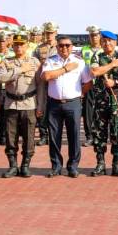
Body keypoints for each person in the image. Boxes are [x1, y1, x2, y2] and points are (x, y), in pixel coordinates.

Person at [41, 34, 92, 178]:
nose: (64, 48)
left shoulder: (79, 62)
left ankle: (73, 167)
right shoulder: (51, 60)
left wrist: (80, 94)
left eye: (67, 45)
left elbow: (88, 82)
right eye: (61, 45)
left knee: (74, 136)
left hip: (73, 103)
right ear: (57, 47)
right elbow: (46, 76)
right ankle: (56, 166)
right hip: (54, 103)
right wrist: (65, 69)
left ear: (72, 47)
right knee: (54, 137)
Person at [0, 31, 45, 178]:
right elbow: (1, 78)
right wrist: (20, 70)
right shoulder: (6, 61)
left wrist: (40, 105)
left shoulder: (35, 62)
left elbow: (40, 86)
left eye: (22, 45)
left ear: (27, 45)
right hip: (11, 104)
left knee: (29, 137)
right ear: (12, 46)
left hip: (29, 104)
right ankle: (12, 166)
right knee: (10, 137)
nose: (19, 47)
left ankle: (25, 165)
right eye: (16, 45)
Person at [87, 30, 118, 176]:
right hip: (101, 102)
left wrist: (116, 82)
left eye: (110, 41)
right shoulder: (97, 57)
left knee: (117, 133)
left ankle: (116, 164)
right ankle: (100, 164)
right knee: (99, 133)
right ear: (101, 43)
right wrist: (112, 64)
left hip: (117, 102)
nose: (107, 43)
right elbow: (95, 72)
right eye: (104, 41)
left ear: (115, 42)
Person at [34, 21, 59, 146]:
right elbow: (34, 64)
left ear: (56, 33)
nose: (49, 35)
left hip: (56, 82)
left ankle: (54, 135)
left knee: (55, 109)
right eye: (47, 33)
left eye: (51, 33)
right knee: (41, 107)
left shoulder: (61, 46)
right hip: (42, 83)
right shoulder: (39, 48)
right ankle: (43, 135)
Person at [81, 25, 103, 147]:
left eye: (96, 35)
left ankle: (100, 135)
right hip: (88, 84)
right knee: (88, 111)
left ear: (100, 36)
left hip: (101, 84)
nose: (94, 37)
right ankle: (89, 136)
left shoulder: (104, 48)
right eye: (92, 35)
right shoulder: (84, 50)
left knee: (102, 110)